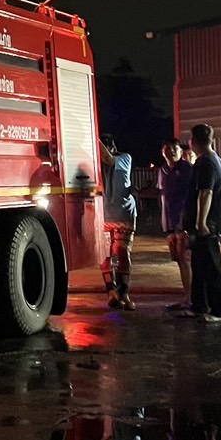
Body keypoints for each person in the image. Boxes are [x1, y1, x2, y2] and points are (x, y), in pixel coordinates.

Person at [183, 122, 221, 322]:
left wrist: (201, 222)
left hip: (209, 225)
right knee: (200, 267)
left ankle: (219, 311)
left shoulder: (206, 163)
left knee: (212, 268)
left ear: (193, 141)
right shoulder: (214, 160)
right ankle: (199, 306)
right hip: (210, 223)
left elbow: (205, 193)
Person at [98, 132, 137, 310]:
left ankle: (123, 293)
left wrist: (93, 137)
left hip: (122, 213)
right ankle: (113, 292)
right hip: (105, 214)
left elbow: (108, 158)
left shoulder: (124, 158)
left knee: (121, 252)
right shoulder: (96, 162)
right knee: (106, 255)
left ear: (113, 147)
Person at [157, 137, 194, 311]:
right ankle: (187, 296)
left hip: (183, 223)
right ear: (162, 152)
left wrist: (185, 219)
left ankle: (191, 299)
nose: (171, 151)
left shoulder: (186, 169)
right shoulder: (162, 171)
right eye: (168, 148)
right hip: (169, 223)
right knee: (179, 260)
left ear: (181, 151)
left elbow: (191, 196)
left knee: (186, 260)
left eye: (175, 148)